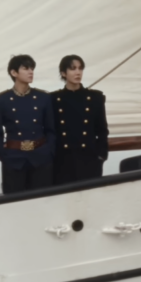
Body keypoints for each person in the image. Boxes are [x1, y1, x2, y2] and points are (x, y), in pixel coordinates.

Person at [0, 55, 55, 194]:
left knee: (43, 200)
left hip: (40, 157)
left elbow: (51, 129)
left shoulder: (43, 97)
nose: (31, 72)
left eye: (32, 68)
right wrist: (4, 156)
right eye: (26, 68)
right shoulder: (1, 100)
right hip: (14, 158)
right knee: (15, 202)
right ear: (14, 72)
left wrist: (48, 152)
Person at [51, 54, 109, 185]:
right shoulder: (53, 99)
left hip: (89, 159)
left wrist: (101, 155)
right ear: (63, 73)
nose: (78, 72)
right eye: (73, 69)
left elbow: (102, 130)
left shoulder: (95, 98)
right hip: (62, 161)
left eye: (80, 68)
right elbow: (50, 131)